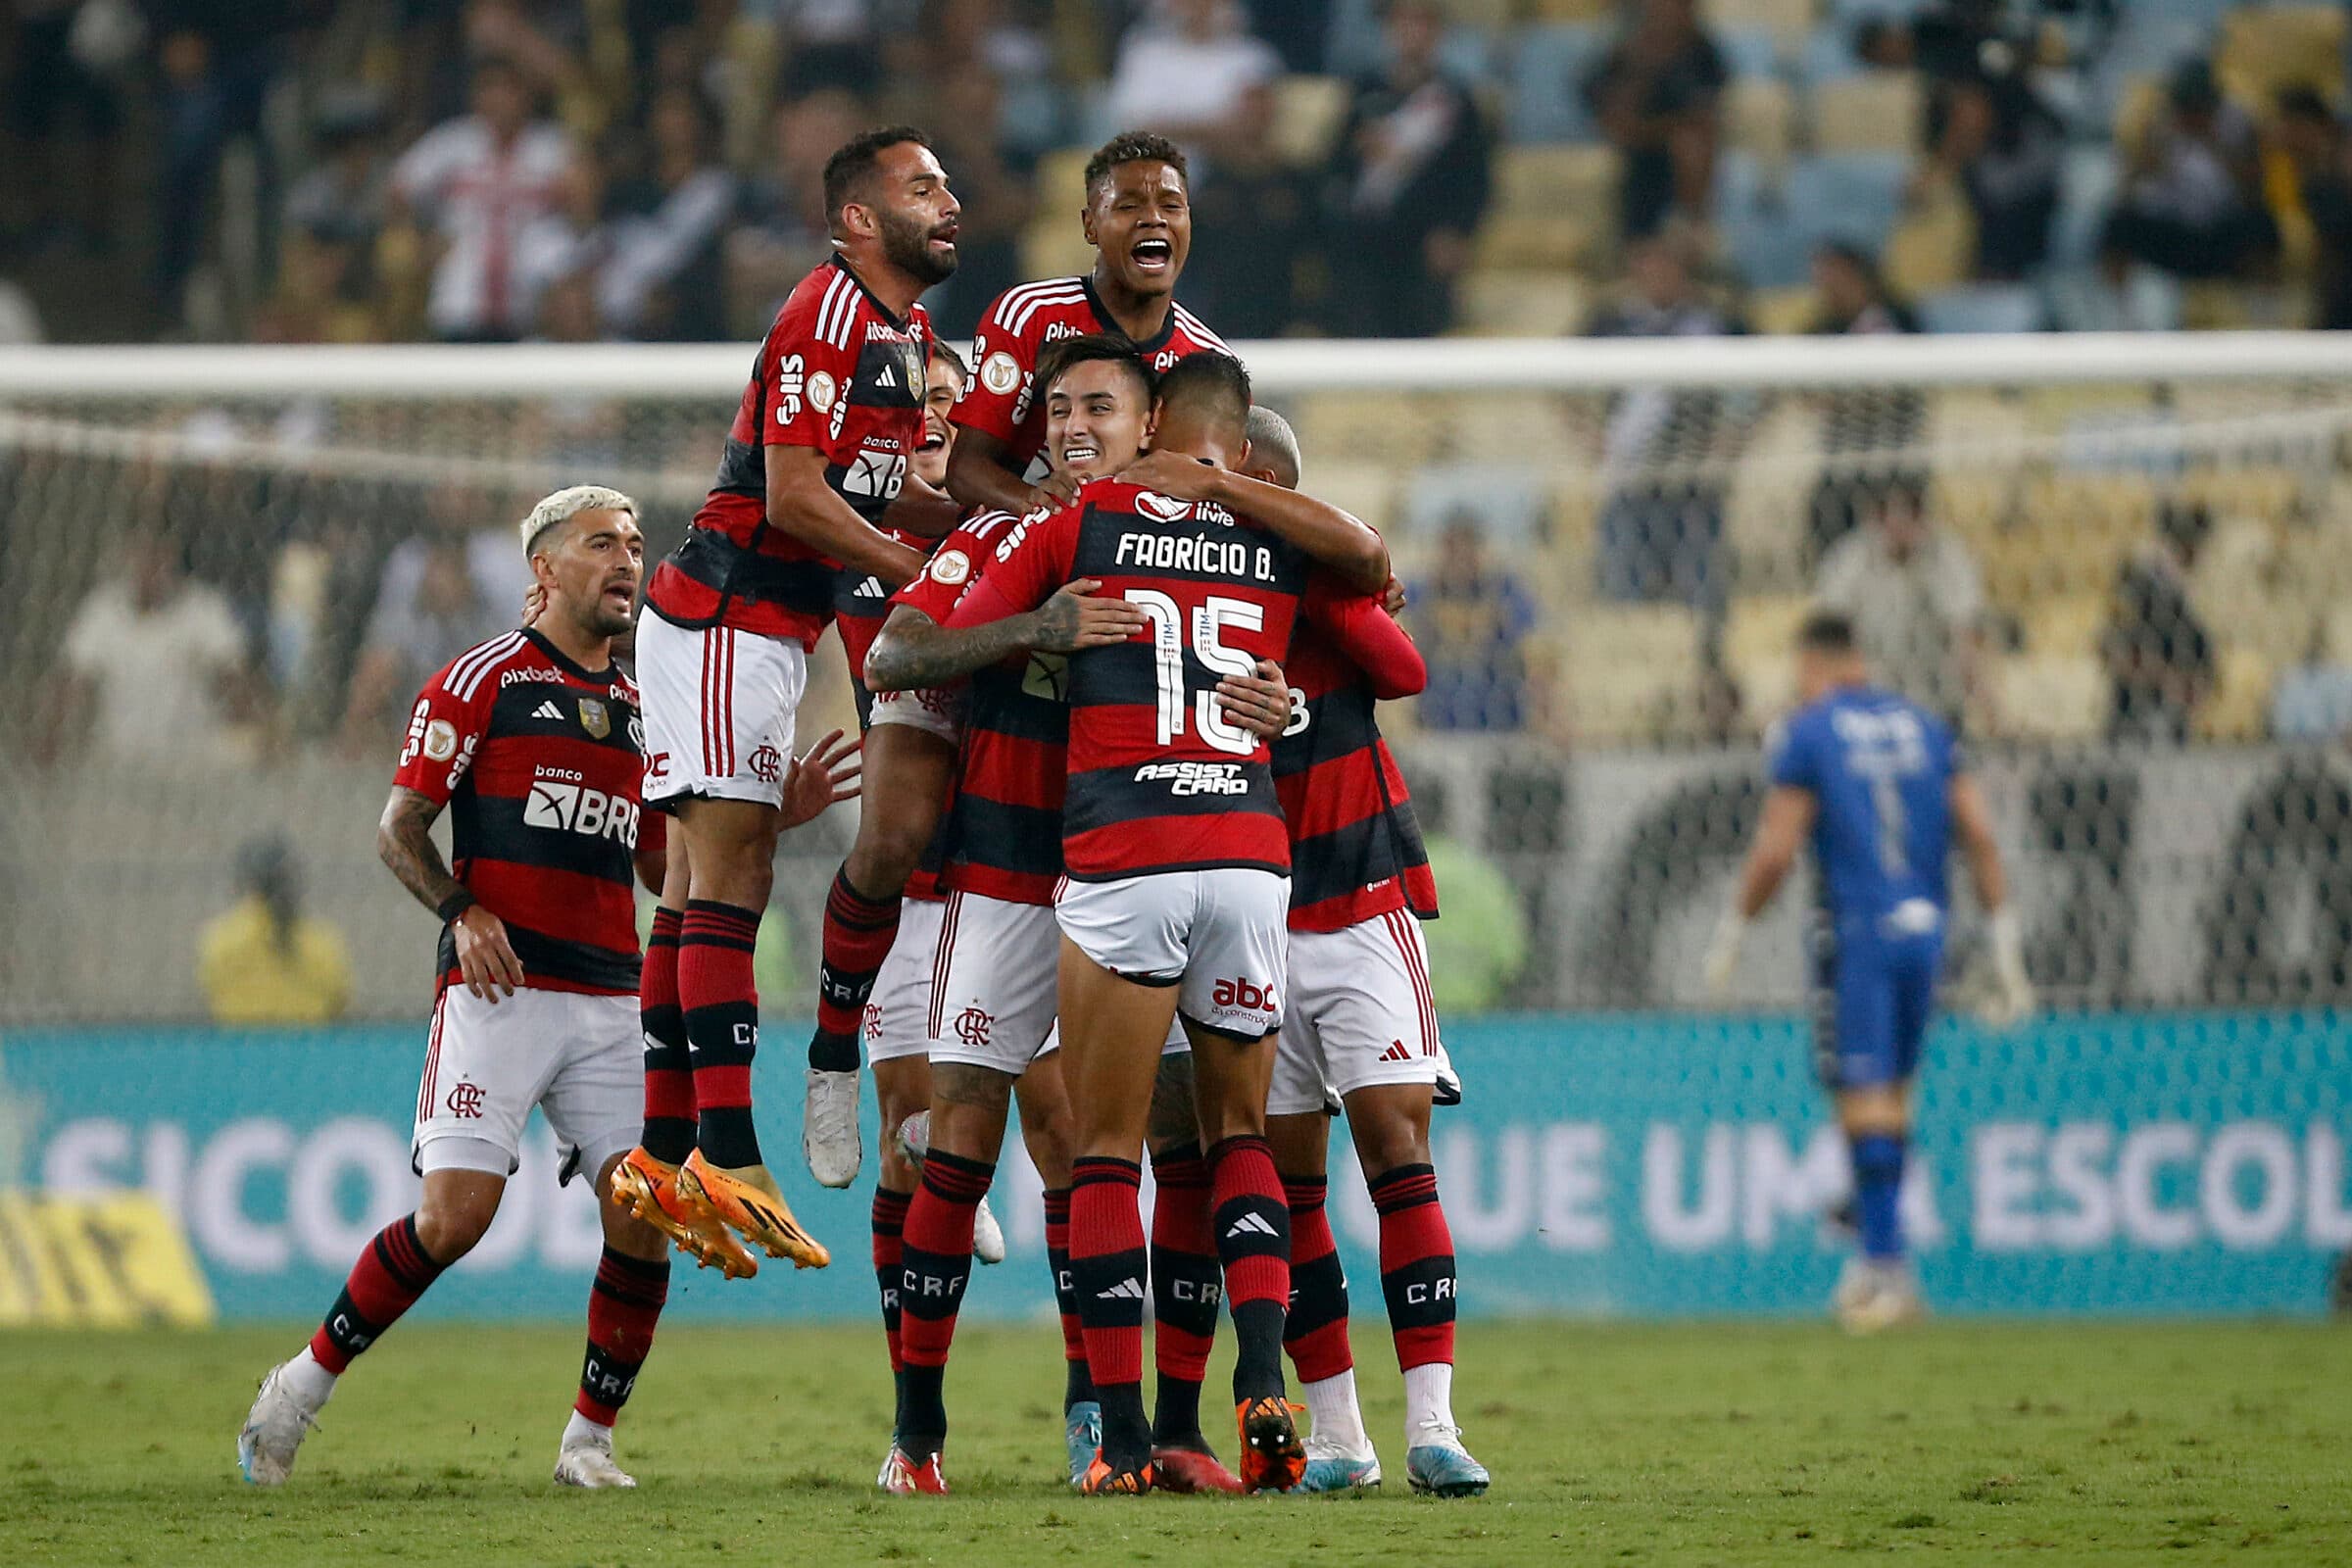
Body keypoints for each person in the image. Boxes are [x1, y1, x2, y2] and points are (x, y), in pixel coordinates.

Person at [871, 351, 1394, 1494]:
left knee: (1151, 1148)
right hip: (1011, 875)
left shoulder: (1161, 529)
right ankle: (918, 1435)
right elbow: (896, 653)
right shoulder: (1010, 536)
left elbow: (1330, 640)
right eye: (1053, 410)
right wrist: (1032, 631)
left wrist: (1284, 699)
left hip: (1121, 871)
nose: (1069, 428)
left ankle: (1157, 1430)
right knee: (964, 1146)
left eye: (1094, 408)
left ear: (1147, 422)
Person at [805, 129, 1230, 1190]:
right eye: (1128, 203)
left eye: (1168, 204)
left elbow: (1216, 497)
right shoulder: (1029, 317)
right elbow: (975, 470)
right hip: (996, 580)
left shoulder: (1206, 357)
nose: (1151, 221)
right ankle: (829, 1049)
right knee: (897, 835)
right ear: (1090, 222)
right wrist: (1051, 526)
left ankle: (1017, 1101)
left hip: (1114, 636)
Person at [238, 486, 682, 1489]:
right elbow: (398, 830)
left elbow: (659, 866)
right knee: (455, 1218)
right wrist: (461, 909)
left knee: (643, 1215)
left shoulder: (644, 707)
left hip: (614, 998)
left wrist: (751, 818)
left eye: (636, 545)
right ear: (544, 570)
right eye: (601, 544)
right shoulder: (482, 681)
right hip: (501, 991)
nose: (627, 561)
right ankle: (301, 1384)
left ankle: (588, 1442)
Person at [620, 126, 961, 1272]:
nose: (949, 199)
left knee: (692, 885)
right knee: (735, 875)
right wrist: (923, 573)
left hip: (772, 627)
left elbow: (893, 491)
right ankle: (729, 1152)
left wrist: (984, 537)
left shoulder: (906, 332)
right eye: (923, 188)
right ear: (860, 218)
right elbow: (796, 493)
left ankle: (671, 1156)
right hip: (724, 612)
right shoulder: (826, 311)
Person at [1246, 406, 1489, 1498]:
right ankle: (1341, 1435)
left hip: (1357, 912)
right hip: (1247, 920)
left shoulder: (1325, 597)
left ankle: (1435, 1424)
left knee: (1397, 1154)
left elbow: (1405, 668)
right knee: (1294, 1185)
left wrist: (1320, 572)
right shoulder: (1182, 606)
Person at [1703, 610, 2033, 1331]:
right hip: (1928, 933)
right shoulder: (1926, 726)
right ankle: (1877, 1260)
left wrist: (1733, 928)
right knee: (1893, 1098)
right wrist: (2005, 943)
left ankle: (1885, 1271)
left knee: (1862, 1099)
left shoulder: (1810, 731)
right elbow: (1978, 833)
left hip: (1857, 934)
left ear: (1810, 664)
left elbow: (1776, 850)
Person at [1322, 0, 1493, 339]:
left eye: (1423, 23)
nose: (1413, 32)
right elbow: (1335, 164)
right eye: (1405, 22)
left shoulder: (1457, 99)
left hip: (1425, 243)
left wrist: (1456, 231)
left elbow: (1474, 177)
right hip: (1365, 241)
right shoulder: (1365, 90)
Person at [387, 55, 575, 342]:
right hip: (459, 300)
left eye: (508, 89)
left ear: (526, 95)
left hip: (528, 307)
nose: (498, 99)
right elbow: (398, 189)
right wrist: (422, 237)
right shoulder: (452, 142)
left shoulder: (551, 147)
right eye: (488, 88)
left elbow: (585, 200)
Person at [51, 531, 254, 768]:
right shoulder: (102, 609)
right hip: (119, 759)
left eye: (160, 557)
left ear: (174, 558)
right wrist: (51, 734)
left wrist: (262, 726)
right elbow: (73, 681)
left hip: (192, 761)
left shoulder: (203, 607)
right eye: (143, 556)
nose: (151, 568)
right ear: (127, 557)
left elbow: (235, 678)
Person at [1814, 473, 1985, 725]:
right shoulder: (1851, 558)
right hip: (1868, 698)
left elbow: (1967, 634)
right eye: (1887, 510)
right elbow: (1829, 636)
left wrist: (1986, 703)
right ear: (1872, 513)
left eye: (1910, 509)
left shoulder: (1947, 555)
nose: (1898, 520)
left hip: (1935, 698)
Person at [1583, 0, 1726, 241]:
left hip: (1673, 148)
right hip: (1633, 149)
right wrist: (1644, 61)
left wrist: (1655, 131)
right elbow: (1609, 114)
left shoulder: (1702, 52)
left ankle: (1691, 225)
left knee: (1689, 146)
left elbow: (1703, 117)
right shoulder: (1626, 49)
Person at [197, 836, 354, 1026]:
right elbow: (338, 1001)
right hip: (308, 1044)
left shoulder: (221, 939)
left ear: (247, 882)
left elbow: (212, 994)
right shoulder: (321, 942)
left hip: (239, 1044)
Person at [2100, 499, 2216, 746]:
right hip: (2135, 707)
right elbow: (2114, 650)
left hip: (2170, 705)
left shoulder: (2188, 609)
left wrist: (2182, 682)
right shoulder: (2139, 585)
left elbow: (2203, 663)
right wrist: (2163, 676)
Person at [1102, 0, 1282, 158]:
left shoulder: (1254, 57)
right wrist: (1215, 129)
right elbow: (1135, 124)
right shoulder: (1144, 51)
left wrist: (1178, 128)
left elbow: (1251, 127)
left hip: (1227, 179)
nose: (1196, 7)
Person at [1413, 513, 1538, 732]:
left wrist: (1494, 619)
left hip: (1499, 700)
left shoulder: (1505, 590)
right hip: (1435, 700)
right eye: (1453, 548)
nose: (1461, 558)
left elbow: (1533, 635)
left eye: (1467, 548)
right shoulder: (1420, 592)